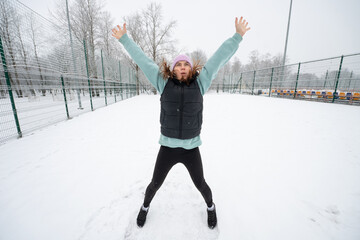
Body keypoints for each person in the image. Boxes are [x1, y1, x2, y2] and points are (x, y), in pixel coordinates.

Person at [112, 16, 250, 229]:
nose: (183, 67)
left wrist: (237, 36)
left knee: (201, 185)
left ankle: (211, 207)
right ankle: (145, 207)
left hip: (190, 149)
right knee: (154, 184)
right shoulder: (162, 82)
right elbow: (143, 60)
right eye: (179, 65)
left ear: (191, 68)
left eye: (186, 64)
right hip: (167, 148)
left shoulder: (201, 83)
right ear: (173, 69)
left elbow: (218, 58)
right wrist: (125, 40)